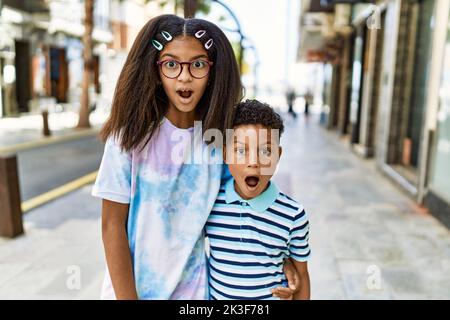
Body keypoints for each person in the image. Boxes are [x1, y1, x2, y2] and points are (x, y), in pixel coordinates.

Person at [91, 14, 298, 300]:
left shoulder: (220, 140)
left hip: (197, 294)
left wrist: (283, 257)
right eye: (171, 64)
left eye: (198, 64)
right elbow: (112, 226)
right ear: (155, 68)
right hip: (133, 291)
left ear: (213, 71)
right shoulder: (129, 137)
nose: (185, 76)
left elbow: (245, 207)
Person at [206, 99, 311, 300]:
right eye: (240, 150)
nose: (253, 162)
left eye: (265, 151)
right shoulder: (211, 203)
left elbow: (302, 278)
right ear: (226, 153)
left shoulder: (293, 215)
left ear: (278, 156)